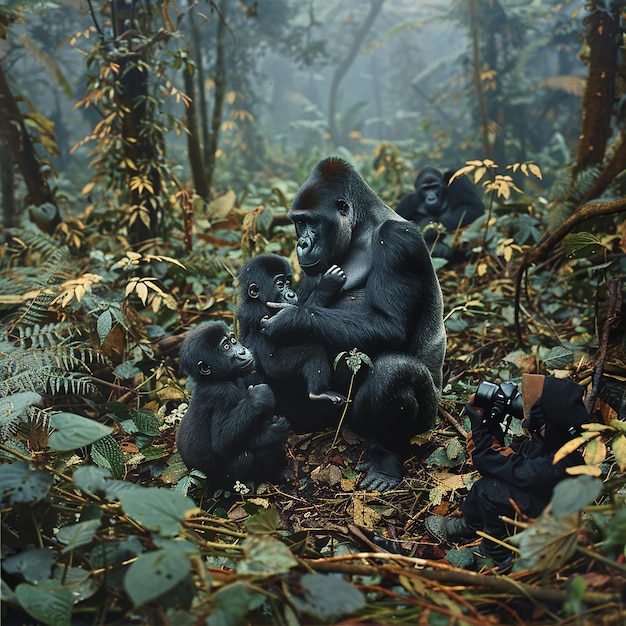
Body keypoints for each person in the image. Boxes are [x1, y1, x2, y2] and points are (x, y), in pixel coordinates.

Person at [425, 374, 589, 568]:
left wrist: (478, 424)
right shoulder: (544, 445)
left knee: (491, 491)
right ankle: (471, 526)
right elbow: (499, 460)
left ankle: (495, 553)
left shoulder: (558, 462)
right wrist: (491, 423)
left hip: (548, 525)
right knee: (483, 487)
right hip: (536, 506)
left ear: (548, 424)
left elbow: (494, 464)